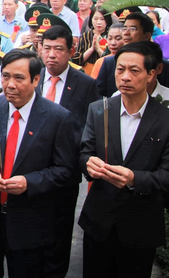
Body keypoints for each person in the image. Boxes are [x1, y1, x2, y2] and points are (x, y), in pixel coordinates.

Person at [0, 49, 77, 278]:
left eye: (19, 78)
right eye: (6, 76)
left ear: (36, 79)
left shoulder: (58, 118)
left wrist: (29, 182)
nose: (10, 84)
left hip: (30, 223)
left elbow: (66, 171)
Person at [79, 41, 169, 277]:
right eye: (120, 69)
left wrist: (133, 179)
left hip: (141, 225)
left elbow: (166, 174)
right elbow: (85, 152)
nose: (125, 77)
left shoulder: (164, 119)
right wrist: (88, 163)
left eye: (134, 70)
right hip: (99, 222)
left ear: (151, 74)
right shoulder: (99, 110)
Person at [37, 24, 100, 278]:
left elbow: (89, 127)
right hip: (30, 169)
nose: (51, 54)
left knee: (59, 233)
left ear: (71, 50)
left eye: (58, 49)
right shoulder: (32, 77)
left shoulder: (85, 84)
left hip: (64, 171)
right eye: (47, 48)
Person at [73, 9, 113, 73]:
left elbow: (112, 61)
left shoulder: (111, 37)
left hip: (105, 71)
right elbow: (76, 60)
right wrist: (91, 49)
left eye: (102, 19)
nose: (99, 22)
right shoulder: (85, 36)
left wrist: (98, 49)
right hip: (87, 72)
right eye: (95, 19)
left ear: (107, 20)